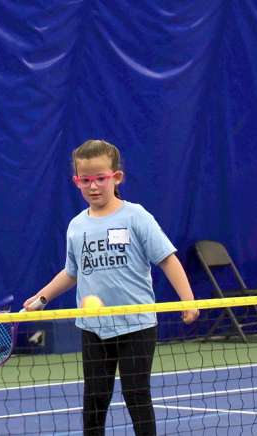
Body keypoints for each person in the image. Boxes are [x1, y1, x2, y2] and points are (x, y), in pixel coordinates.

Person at [24, 139, 199, 436]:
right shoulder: (77, 226)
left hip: (137, 325)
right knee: (94, 401)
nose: (93, 187)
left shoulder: (136, 217)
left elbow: (167, 260)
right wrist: (41, 298)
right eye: (86, 180)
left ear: (116, 177)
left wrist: (188, 300)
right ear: (76, 181)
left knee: (136, 395)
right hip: (94, 328)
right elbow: (71, 272)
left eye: (100, 178)